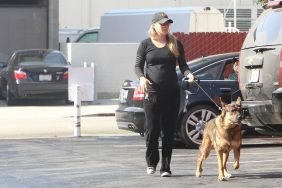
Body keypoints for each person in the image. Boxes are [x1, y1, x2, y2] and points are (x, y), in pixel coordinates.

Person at [134, 12, 194, 177]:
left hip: (171, 93)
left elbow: (183, 65)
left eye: (167, 23)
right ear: (154, 25)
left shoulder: (175, 43)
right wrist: (141, 78)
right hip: (152, 94)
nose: (165, 26)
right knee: (153, 129)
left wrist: (189, 74)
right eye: (162, 23)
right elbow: (138, 66)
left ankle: (165, 167)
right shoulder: (145, 44)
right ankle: (151, 162)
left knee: (168, 131)